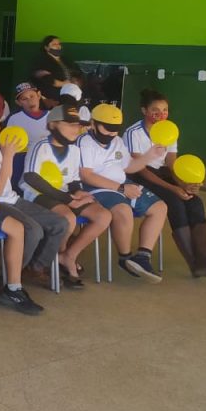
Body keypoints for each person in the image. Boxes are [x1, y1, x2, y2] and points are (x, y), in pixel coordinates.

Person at [0, 106, 64, 311]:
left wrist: (5, 153)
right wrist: (9, 156)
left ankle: (32, 268)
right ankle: (11, 285)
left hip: (11, 199)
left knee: (59, 222)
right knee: (32, 230)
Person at [125, 89, 206, 277]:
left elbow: (171, 163)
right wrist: (173, 188)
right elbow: (141, 169)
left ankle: (205, 258)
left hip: (162, 173)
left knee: (194, 201)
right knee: (175, 202)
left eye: (165, 110)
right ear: (144, 111)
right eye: (155, 110)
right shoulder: (133, 133)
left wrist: (183, 184)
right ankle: (194, 264)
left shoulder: (169, 130)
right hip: (140, 174)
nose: (161, 114)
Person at [21, 104, 112, 287]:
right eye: (70, 124)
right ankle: (47, 264)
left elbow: (72, 180)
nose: (76, 129)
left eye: (78, 125)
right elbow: (31, 178)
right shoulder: (40, 146)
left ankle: (68, 256)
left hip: (65, 194)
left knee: (103, 215)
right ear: (53, 125)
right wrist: (69, 200)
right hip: (38, 194)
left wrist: (78, 192)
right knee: (68, 218)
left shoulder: (74, 150)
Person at [77, 104, 168, 283]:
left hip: (121, 184)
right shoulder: (84, 142)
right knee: (123, 210)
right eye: (107, 128)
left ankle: (142, 257)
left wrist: (149, 156)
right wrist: (121, 189)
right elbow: (86, 175)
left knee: (160, 207)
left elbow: (129, 166)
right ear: (93, 123)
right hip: (96, 187)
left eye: (114, 130)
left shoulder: (117, 141)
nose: (110, 134)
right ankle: (125, 258)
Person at [30, 35, 83, 105]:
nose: (58, 46)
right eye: (54, 44)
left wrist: (76, 81)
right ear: (46, 48)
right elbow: (44, 77)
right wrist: (64, 84)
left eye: (59, 44)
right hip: (53, 97)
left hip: (72, 94)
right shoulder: (41, 61)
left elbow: (78, 73)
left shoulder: (66, 60)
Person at [4, 82, 50, 146]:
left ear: (39, 95)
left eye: (32, 96)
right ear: (18, 103)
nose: (30, 101)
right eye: (24, 99)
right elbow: (9, 144)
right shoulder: (14, 119)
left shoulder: (51, 116)